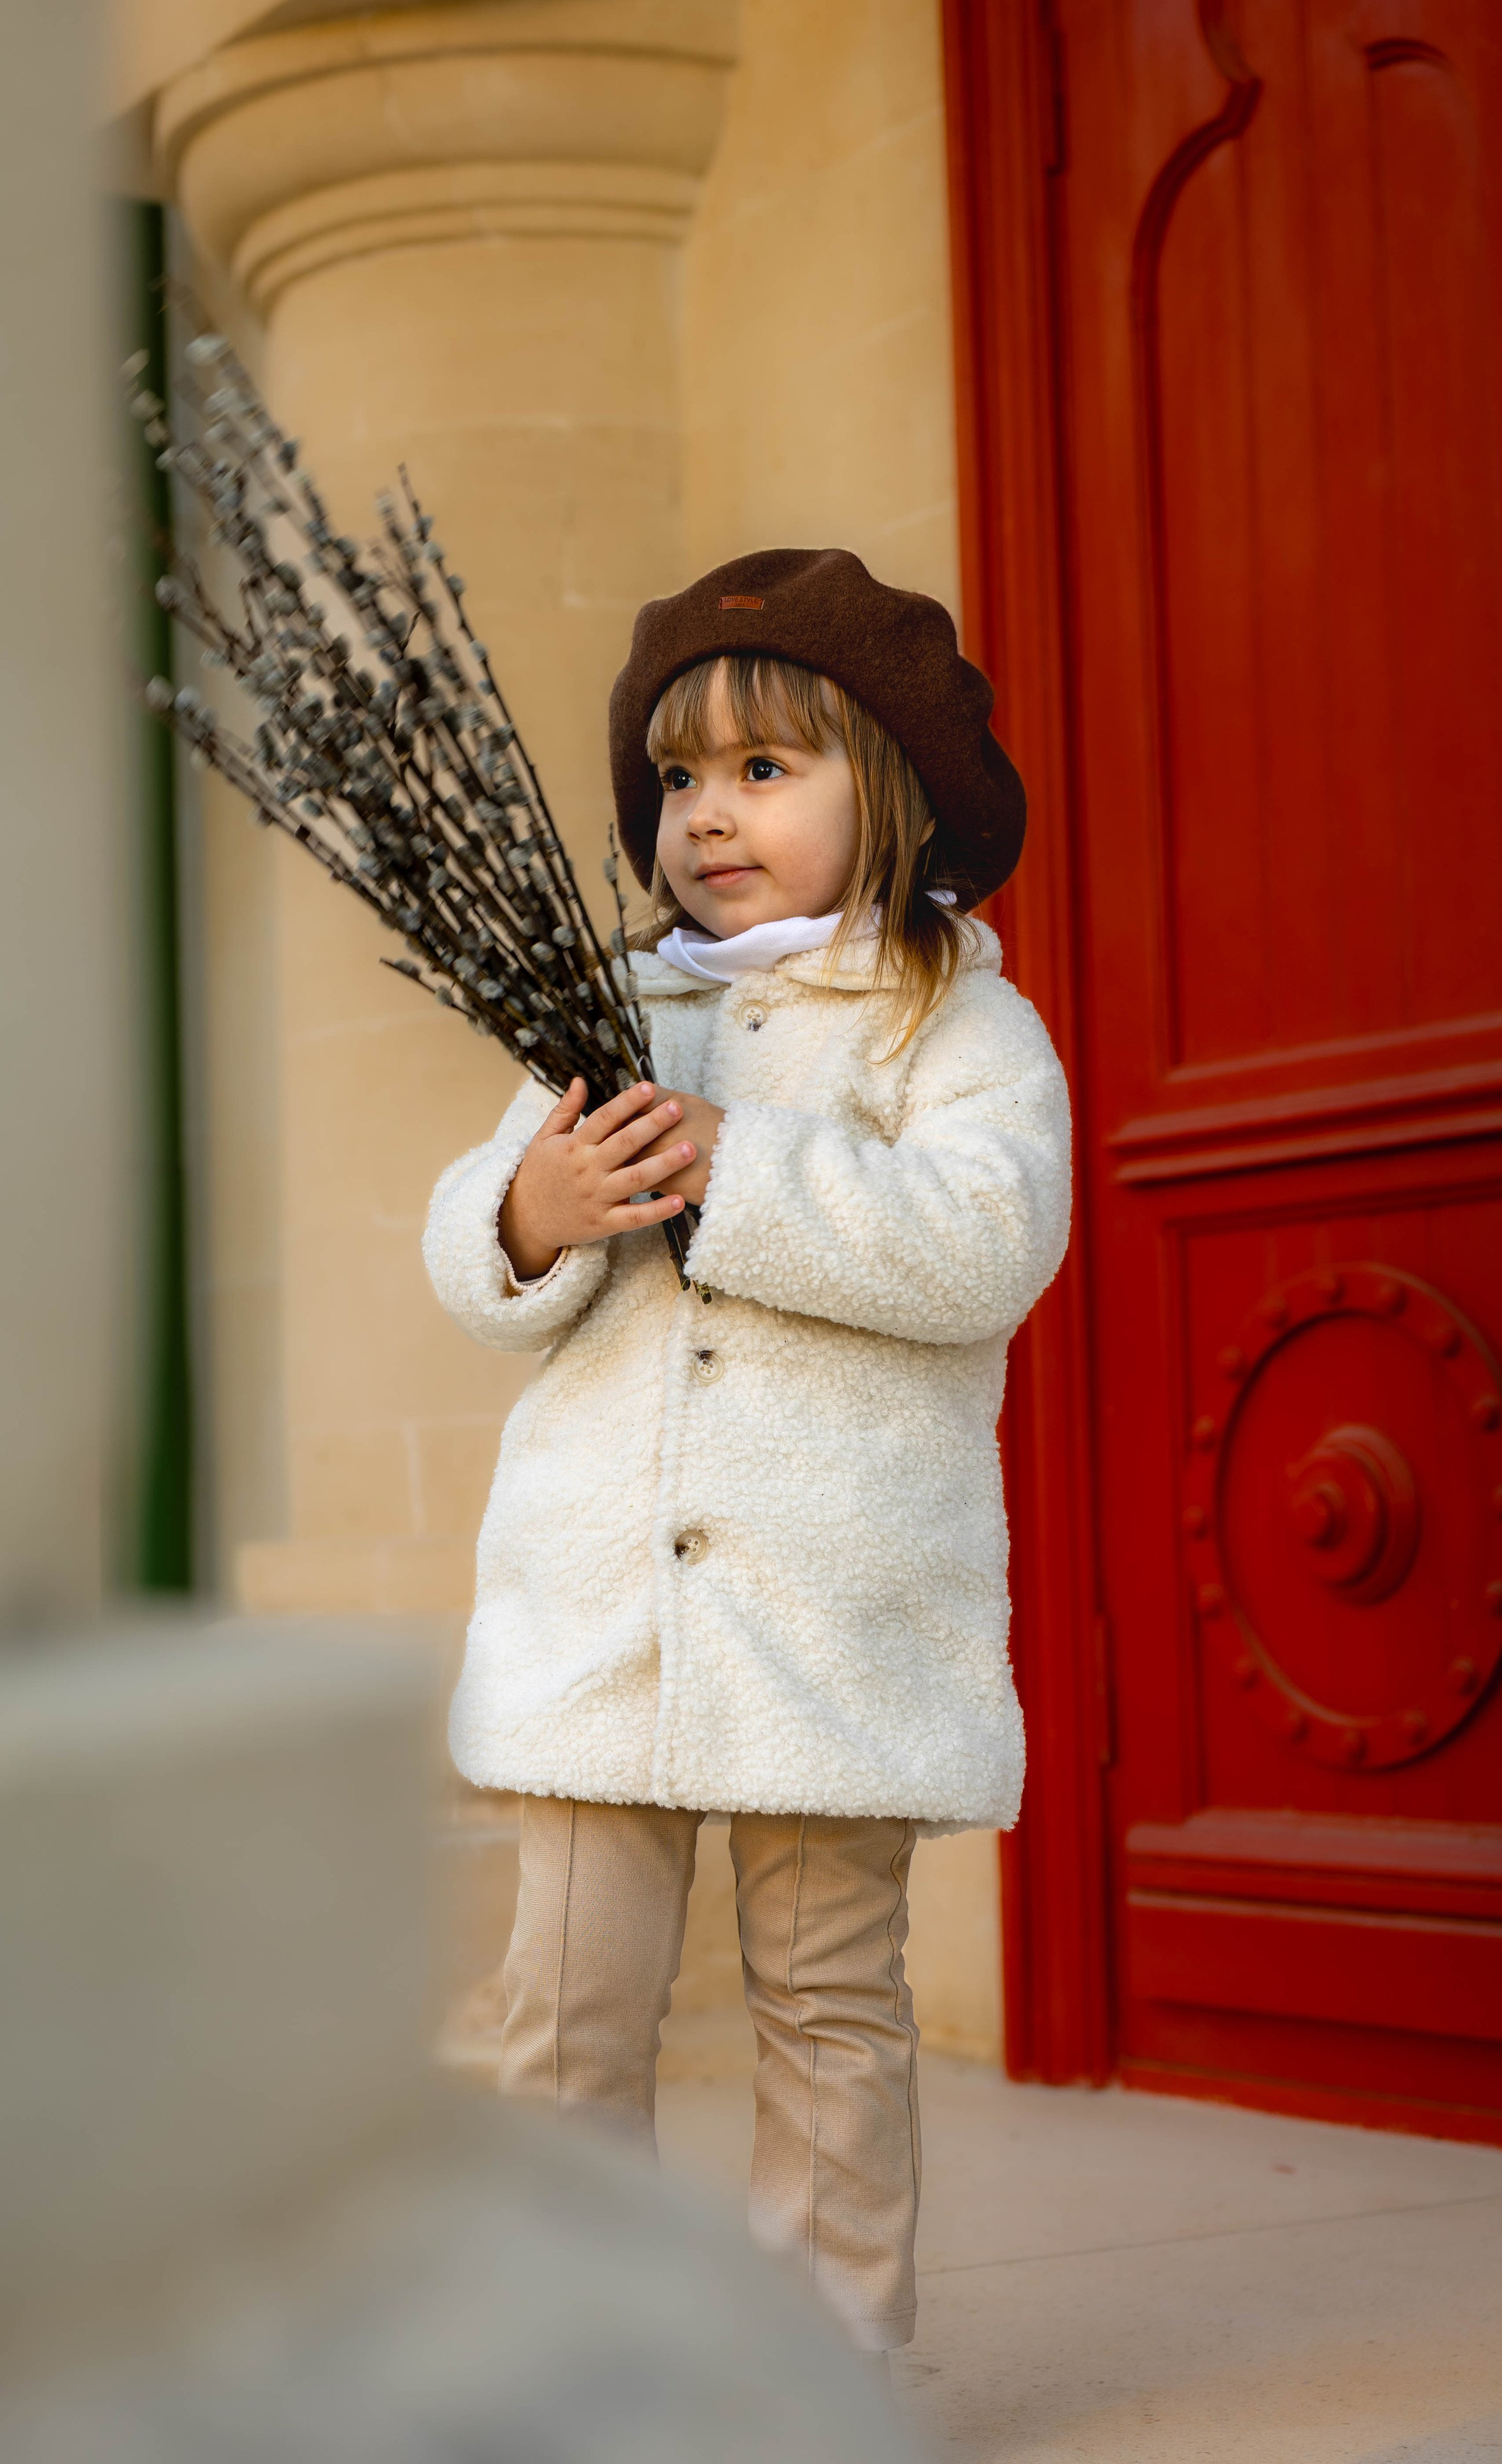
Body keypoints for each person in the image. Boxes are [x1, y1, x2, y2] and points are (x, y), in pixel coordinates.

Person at [423, 547, 1072, 2358]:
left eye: (766, 769)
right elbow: (482, 1259)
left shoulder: (958, 1020)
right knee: (551, 2017)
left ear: (893, 792)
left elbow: (985, 1243)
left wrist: (745, 1166)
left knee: (827, 2013)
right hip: (595, 1609)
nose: (709, 814)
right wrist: (533, 1215)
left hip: (829, 1617)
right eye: (681, 778)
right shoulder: (605, 1013)